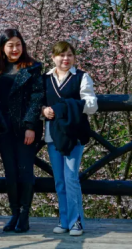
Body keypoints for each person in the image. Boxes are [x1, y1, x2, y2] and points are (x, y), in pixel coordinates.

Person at [0, 28, 44, 233]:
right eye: (10, 45)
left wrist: (30, 126)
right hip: (3, 128)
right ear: (2, 48)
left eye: (18, 44)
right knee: (10, 172)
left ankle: (24, 215)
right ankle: (14, 213)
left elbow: (37, 97)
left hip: (25, 128)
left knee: (25, 171)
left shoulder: (33, 67)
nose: (15, 49)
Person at [41, 41, 98, 237]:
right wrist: (44, 110)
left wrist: (67, 106)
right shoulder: (46, 78)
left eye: (69, 55)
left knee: (71, 178)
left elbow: (91, 105)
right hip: (53, 134)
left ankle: (77, 221)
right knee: (59, 180)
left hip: (74, 133)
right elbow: (40, 103)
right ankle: (64, 220)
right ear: (53, 57)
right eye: (61, 55)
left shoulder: (81, 77)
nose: (65, 59)